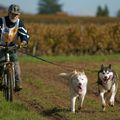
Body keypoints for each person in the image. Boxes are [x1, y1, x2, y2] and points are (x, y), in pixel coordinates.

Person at [0, 4, 29, 91]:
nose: (14, 16)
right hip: (1, 47)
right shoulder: (1, 21)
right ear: (9, 13)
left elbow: (25, 35)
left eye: (16, 14)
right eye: (12, 13)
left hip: (13, 47)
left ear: (19, 15)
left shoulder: (19, 23)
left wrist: (23, 42)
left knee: (16, 65)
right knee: (0, 63)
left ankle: (18, 83)